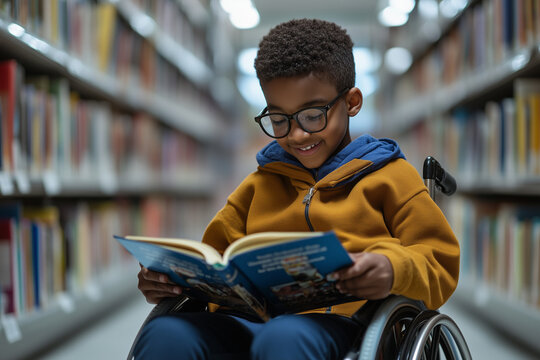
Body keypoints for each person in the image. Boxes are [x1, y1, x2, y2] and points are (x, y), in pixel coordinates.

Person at [134, 18, 460, 360]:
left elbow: (439, 262)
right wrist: (169, 278)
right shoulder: (257, 185)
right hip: (246, 322)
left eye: (312, 115)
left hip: (346, 327)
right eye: (278, 119)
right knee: (167, 333)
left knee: (284, 339)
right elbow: (212, 261)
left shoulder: (391, 177)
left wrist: (393, 268)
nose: (296, 135)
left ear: (351, 103)